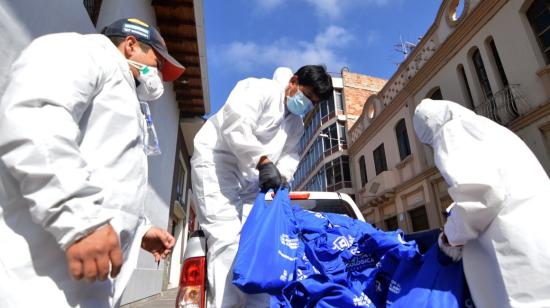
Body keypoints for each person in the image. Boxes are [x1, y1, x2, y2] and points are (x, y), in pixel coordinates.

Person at [0, 18, 184, 307]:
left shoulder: (127, 97)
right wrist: (80, 220)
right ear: (131, 44)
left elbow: (110, 174)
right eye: (158, 62)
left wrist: (141, 228)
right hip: (38, 281)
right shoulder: (83, 52)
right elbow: (35, 119)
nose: (159, 74)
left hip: (86, 284)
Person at [191, 65, 333, 307]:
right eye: (307, 96)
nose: (307, 104)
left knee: (257, 242)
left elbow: (290, 156)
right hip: (217, 163)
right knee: (226, 240)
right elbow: (235, 125)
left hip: (252, 180)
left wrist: (282, 176)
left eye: (313, 102)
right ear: (293, 82)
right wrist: (263, 160)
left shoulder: (296, 125)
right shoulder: (259, 88)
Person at [413, 99, 550, 308]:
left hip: (513, 252)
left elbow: (478, 196)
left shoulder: (451, 131)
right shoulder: (489, 128)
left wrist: (450, 237)